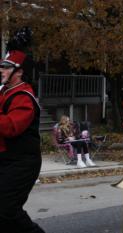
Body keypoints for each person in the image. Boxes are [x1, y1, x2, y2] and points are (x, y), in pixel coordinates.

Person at [0, 27, 46, 233]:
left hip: (22, 162)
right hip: (6, 160)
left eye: (6, 67)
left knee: (7, 210)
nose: (1, 70)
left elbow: (11, 127)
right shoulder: (6, 92)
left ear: (19, 72)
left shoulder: (24, 96)